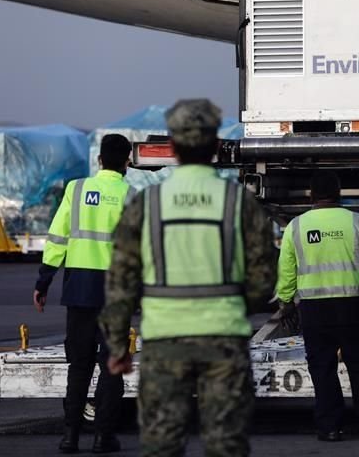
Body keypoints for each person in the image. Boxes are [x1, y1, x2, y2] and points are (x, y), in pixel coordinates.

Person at [99, 99, 277, 457]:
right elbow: (264, 279)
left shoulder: (147, 203)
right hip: (223, 339)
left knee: (162, 444)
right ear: (214, 146)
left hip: (165, 340)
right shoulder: (237, 202)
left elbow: (121, 281)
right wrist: (233, 306)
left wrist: (118, 346)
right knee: (225, 443)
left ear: (174, 146)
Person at [34, 133, 133, 454]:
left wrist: (43, 281)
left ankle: (70, 436)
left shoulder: (76, 190)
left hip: (79, 291)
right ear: (127, 163)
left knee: (79, 366)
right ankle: (104, 437)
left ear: (100, 160)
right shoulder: (131, 196)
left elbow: (57, 238)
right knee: (111, 366)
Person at [277, 171, 359, 442]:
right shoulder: (357, 223)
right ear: (339, 193)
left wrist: (285, 301)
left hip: (314, 309)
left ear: (311, 194)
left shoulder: (295, 227)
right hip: (352, 305)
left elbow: (286, 270)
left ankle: (329, 427)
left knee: (323, 368)